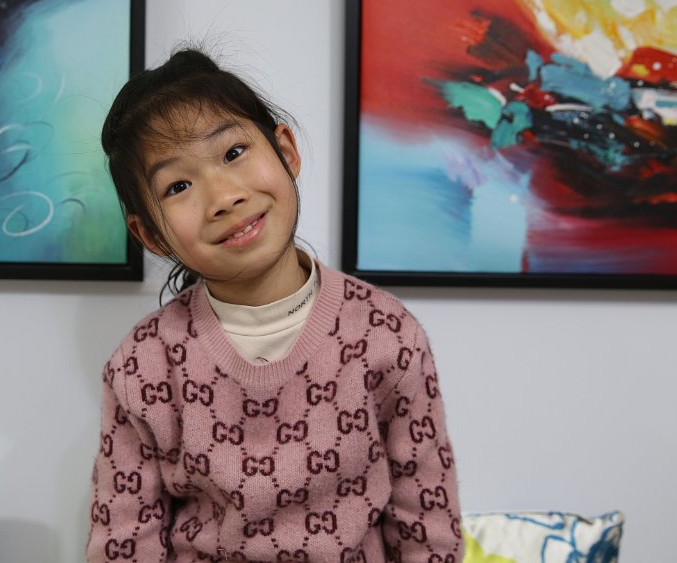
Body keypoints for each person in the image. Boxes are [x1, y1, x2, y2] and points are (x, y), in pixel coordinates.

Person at [87, 48, 462, 562]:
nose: (223, 197)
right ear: (150, 234)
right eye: (178, 185)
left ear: (285, 151)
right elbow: (124, 544)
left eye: (233, 153)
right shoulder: (142, 365)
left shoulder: (386, 334)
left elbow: (428, 528)